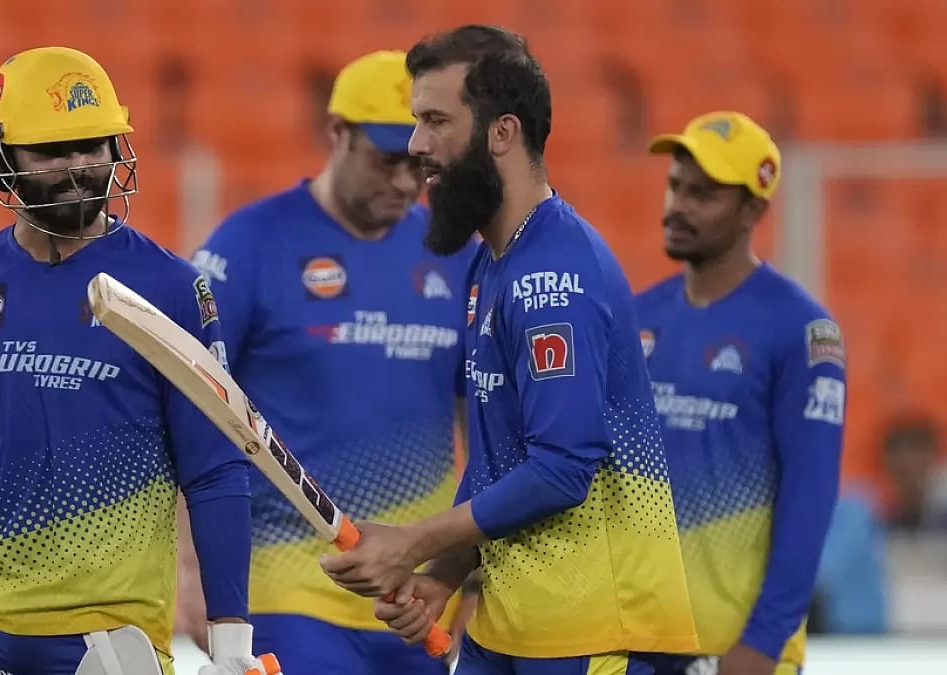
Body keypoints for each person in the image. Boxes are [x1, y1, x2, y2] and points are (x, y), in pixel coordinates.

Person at [0, 46, 279, 675]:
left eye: (93, 146)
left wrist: (232, 642)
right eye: (51, 151)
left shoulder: (173, 289)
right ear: (3, 161)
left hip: (112, 635)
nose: (77, 167)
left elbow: (212, 471)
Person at [319, 24, 699, 674]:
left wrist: (412, 541)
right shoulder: (492, 263)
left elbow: (561, 468)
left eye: (435, 120)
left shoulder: (556, 275)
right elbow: (502, 457)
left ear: (502, 132)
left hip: (597, 633)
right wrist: (442, 574)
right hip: (513, 622)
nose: (416, 146)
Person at [185, 49, 478, 674]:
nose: (404, 183)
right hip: (287, 593)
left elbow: (485, 424)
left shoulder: (454, 255)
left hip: (412, 604)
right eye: (386, 161)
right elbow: (186, 402)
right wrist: (188, 565)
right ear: (337, 133)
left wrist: (471, 574)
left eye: (419, 166)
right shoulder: (249, 246)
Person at [634, 111, 848, 675]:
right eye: (675, 185)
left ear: (754, 209)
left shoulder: (802, 331)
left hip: (738, 650)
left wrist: (764, 641)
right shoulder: (639, 316)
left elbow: (811, 497)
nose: (677, 205)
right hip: (635, 644)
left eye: (702, 194)